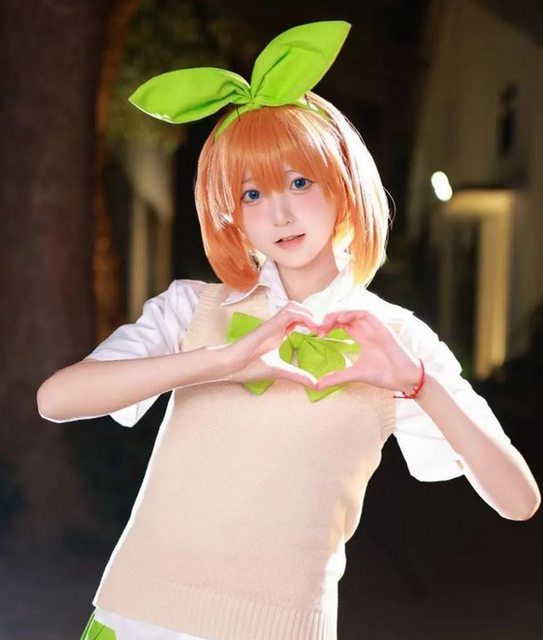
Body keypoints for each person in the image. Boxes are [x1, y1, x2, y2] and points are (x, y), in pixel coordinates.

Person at [37, 20, 540, 640]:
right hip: (137, 618)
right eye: (252, 194)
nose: (279, 213)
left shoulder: (394, 339)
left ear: (342, 188)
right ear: (232, 214)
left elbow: (518, 499)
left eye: (300, 182)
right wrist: (222, 361)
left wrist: (415, 382)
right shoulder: (193, 308)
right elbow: (56, 399)